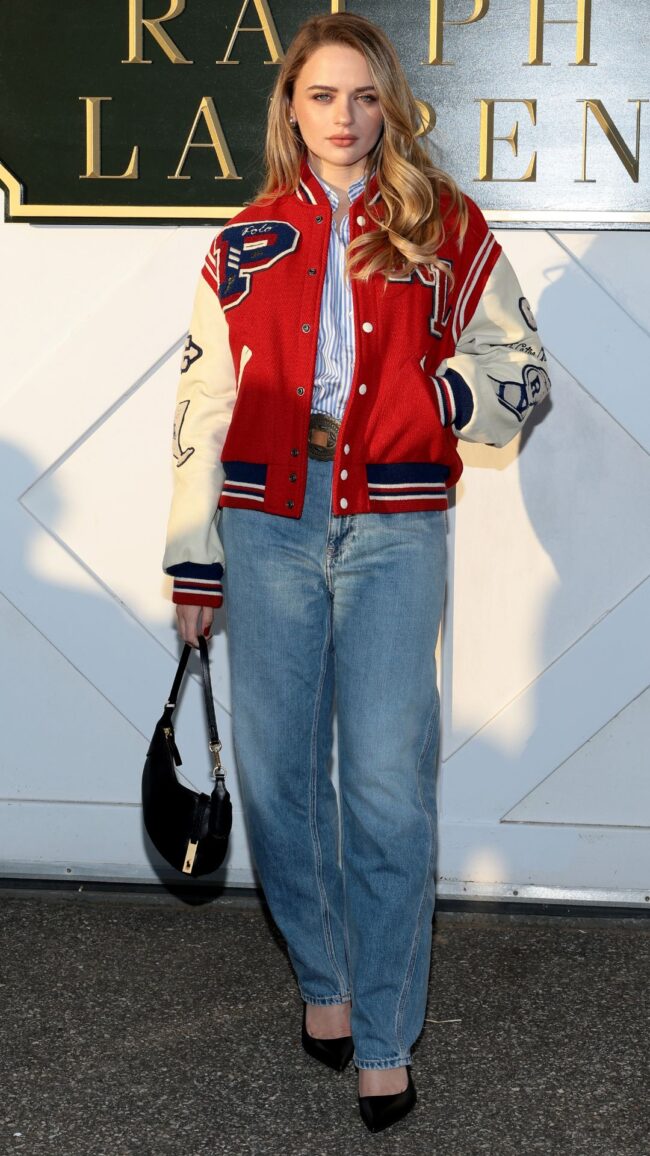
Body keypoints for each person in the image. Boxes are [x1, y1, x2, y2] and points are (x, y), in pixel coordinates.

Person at [163, 12, 550, 1134]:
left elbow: (519, 364)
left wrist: (438, 405)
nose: (343, 117)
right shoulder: (241, 240)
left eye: (364, 97)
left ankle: (383, 1034)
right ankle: (322, 981)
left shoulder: (443, 223)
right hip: (266, 527)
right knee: (282, 785)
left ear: (390, 106)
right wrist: (193, 560)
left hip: (393, 528)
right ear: (290, 105)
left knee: (383, 788)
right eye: (322, 96)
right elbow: (202, 402)